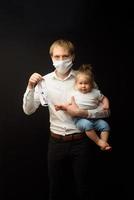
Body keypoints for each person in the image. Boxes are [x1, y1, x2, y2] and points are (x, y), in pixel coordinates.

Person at [23, 39, 110, 200]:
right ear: (52, 58)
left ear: (73, 56)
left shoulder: (84, 79)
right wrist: (30, 87)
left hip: (82, 141)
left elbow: (106, 112)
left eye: (65, 56)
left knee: (84, 187)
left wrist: (84, 113)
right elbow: (28, 110)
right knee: (56, 189)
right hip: (56, 143)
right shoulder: (44, 82)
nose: (61, 60)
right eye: (57, 57)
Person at [54, 64, 112, 151]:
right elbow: (68, 104)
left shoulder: (95, 92)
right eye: (80, 83)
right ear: (76, 84)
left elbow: (104, 98)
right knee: (87, 124)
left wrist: (106, 104)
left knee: (105, 125)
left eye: (86, 83)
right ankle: (98, 141)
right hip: (79, 119)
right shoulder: (75, 94)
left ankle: (104, 143)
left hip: (94, 119)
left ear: (91, 84)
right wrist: (61, 106)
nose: (83, 86)